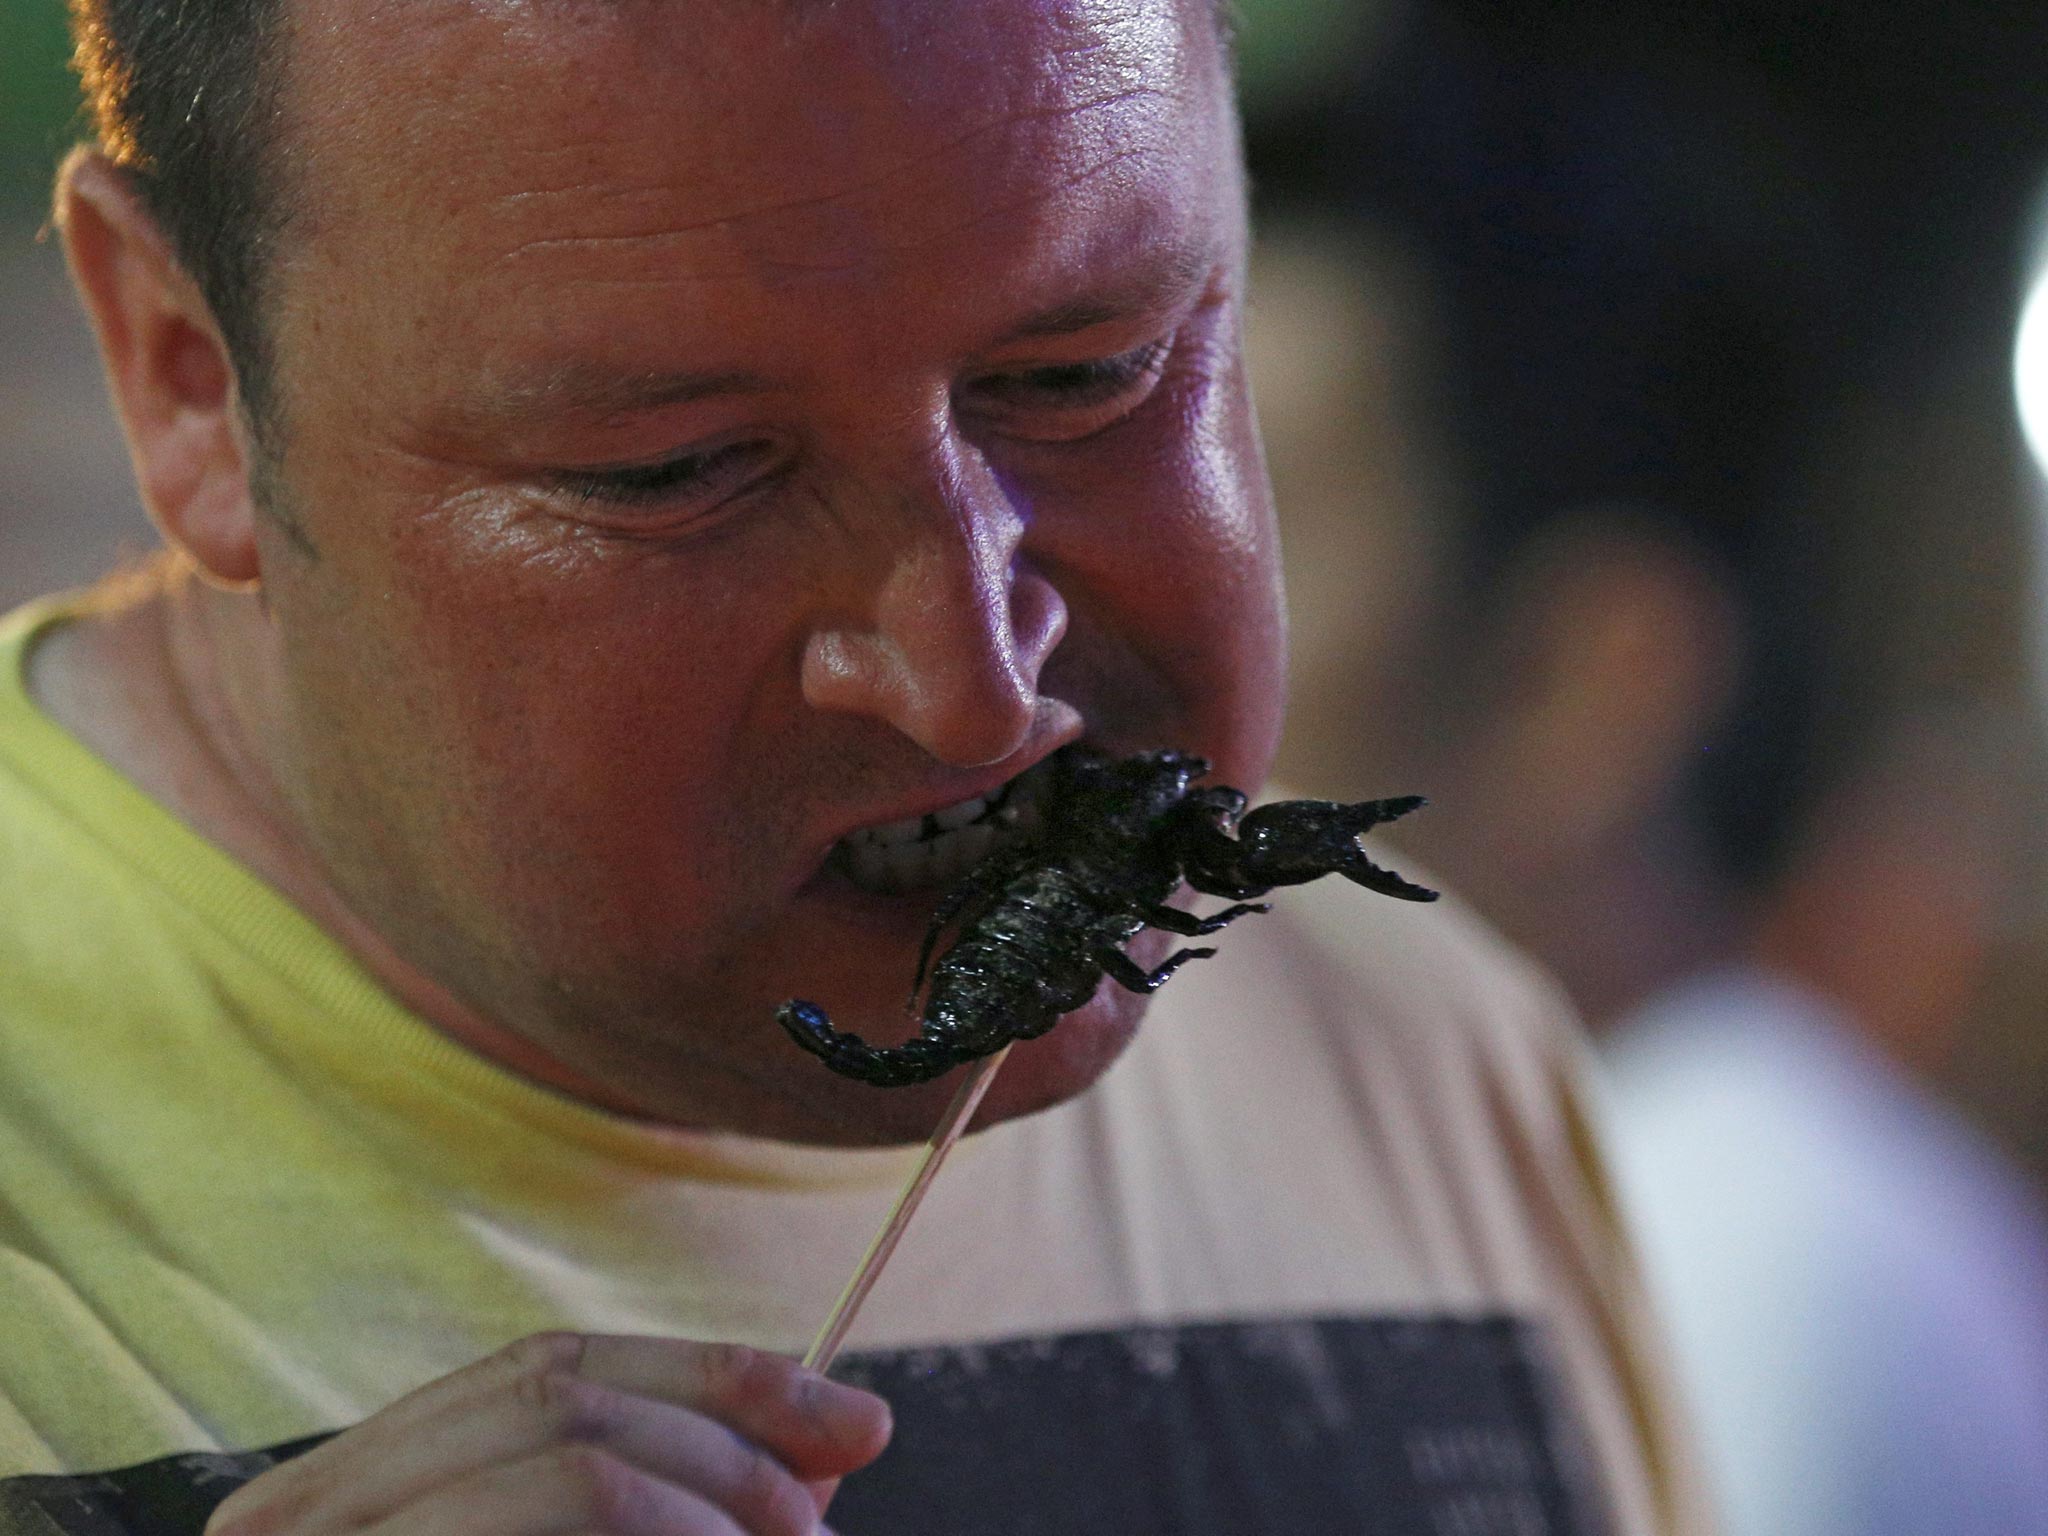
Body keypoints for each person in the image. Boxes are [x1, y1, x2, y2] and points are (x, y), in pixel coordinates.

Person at [0, 2, 1706, 1532]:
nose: (972, 694)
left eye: (1089, 375)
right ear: (187, 374)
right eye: (677, 472)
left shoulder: (1413, 1057)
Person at [1247, 11, 2048, 1535]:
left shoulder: (1739, 1279)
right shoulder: (1558, 1218)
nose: (1094, 660)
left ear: (1588, 686)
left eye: (1266, 527)